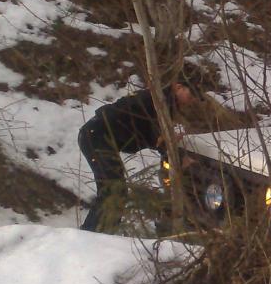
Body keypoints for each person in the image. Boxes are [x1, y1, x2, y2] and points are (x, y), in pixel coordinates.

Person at [78, 81, 198, 232]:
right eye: (190, 96)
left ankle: (104, 231)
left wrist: (168, 145)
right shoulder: (158, 102)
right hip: (96, 136)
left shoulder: (160, 103)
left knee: (116, 189)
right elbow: (154, 133)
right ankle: (92, 231)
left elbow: (150, 135)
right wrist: (170, 146)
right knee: (113, 189)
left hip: (98, 136)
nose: (190, 101)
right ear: (178, 87)